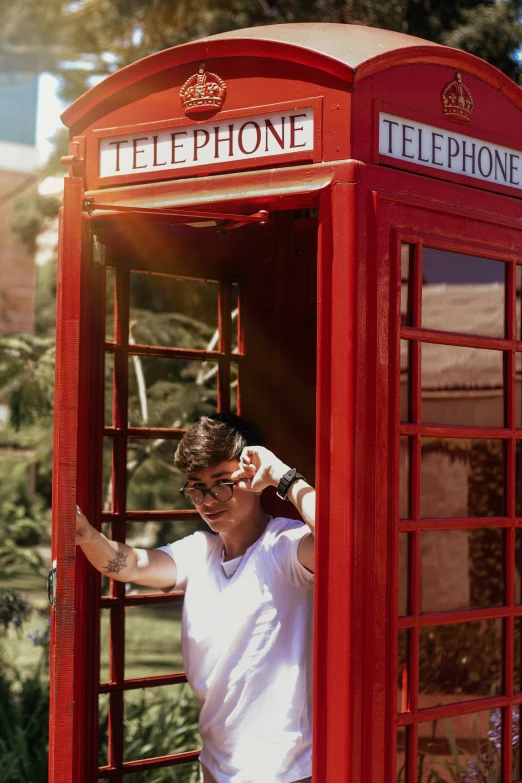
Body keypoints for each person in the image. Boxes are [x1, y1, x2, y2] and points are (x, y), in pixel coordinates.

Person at [76, 413, 315, 783]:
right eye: (196, 487)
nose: (207, 500)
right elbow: (131, 564)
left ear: (253, 476)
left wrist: (283, 476)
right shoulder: (199, 551)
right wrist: (85, 534)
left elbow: (345, 541)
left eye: (222, 483)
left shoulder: (285, 547)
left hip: (282, 770)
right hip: (216, 767)